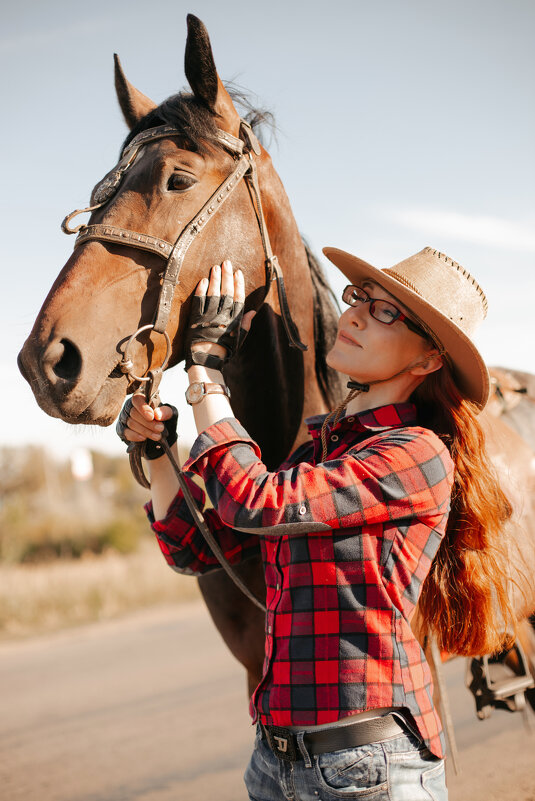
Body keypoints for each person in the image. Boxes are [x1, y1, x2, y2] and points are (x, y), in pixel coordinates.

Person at [117, 247, 513, 801]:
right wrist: (160, 451)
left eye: (384, 313)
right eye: (360, 299)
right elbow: (196, 550)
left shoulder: (415, 453)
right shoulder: (316, 451)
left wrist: (206, 374)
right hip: (275, 762)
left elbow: (257, 500)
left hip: (367, 765)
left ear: (426, 361)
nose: (352, 315)